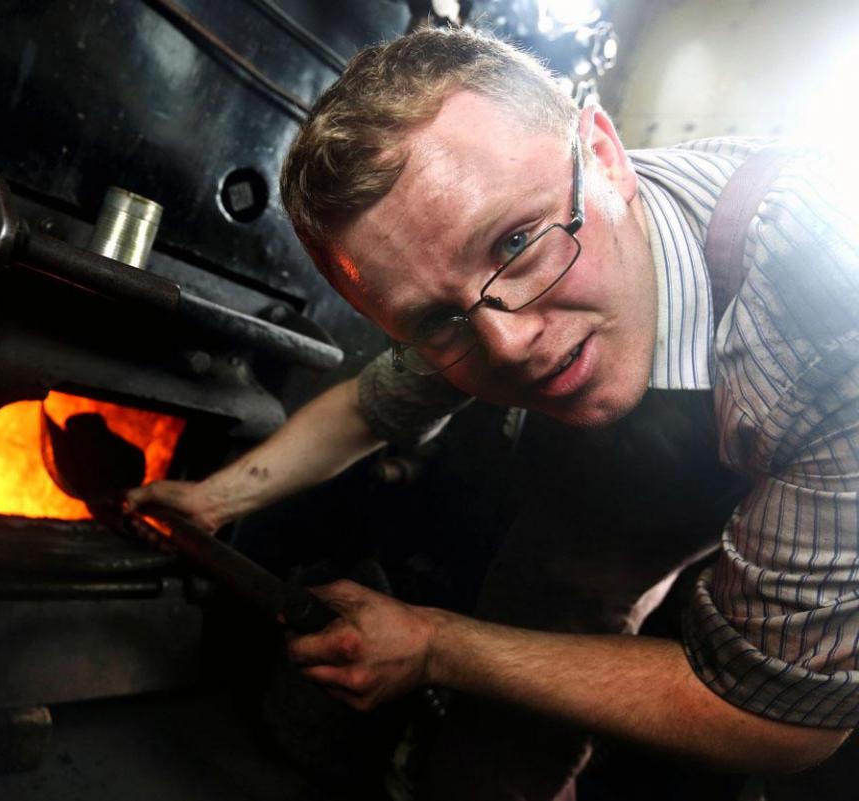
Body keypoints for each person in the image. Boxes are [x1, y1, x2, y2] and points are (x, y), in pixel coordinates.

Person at [126, 26, 858, 799]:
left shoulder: (824, 315)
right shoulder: (480, 284)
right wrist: (211, 500)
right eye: (438, 321)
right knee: (517, 685)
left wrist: (436, 645)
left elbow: (779, 721)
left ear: (605, 156)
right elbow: (372, 408)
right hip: (693, 469)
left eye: (515, 242)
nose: (508, 346)